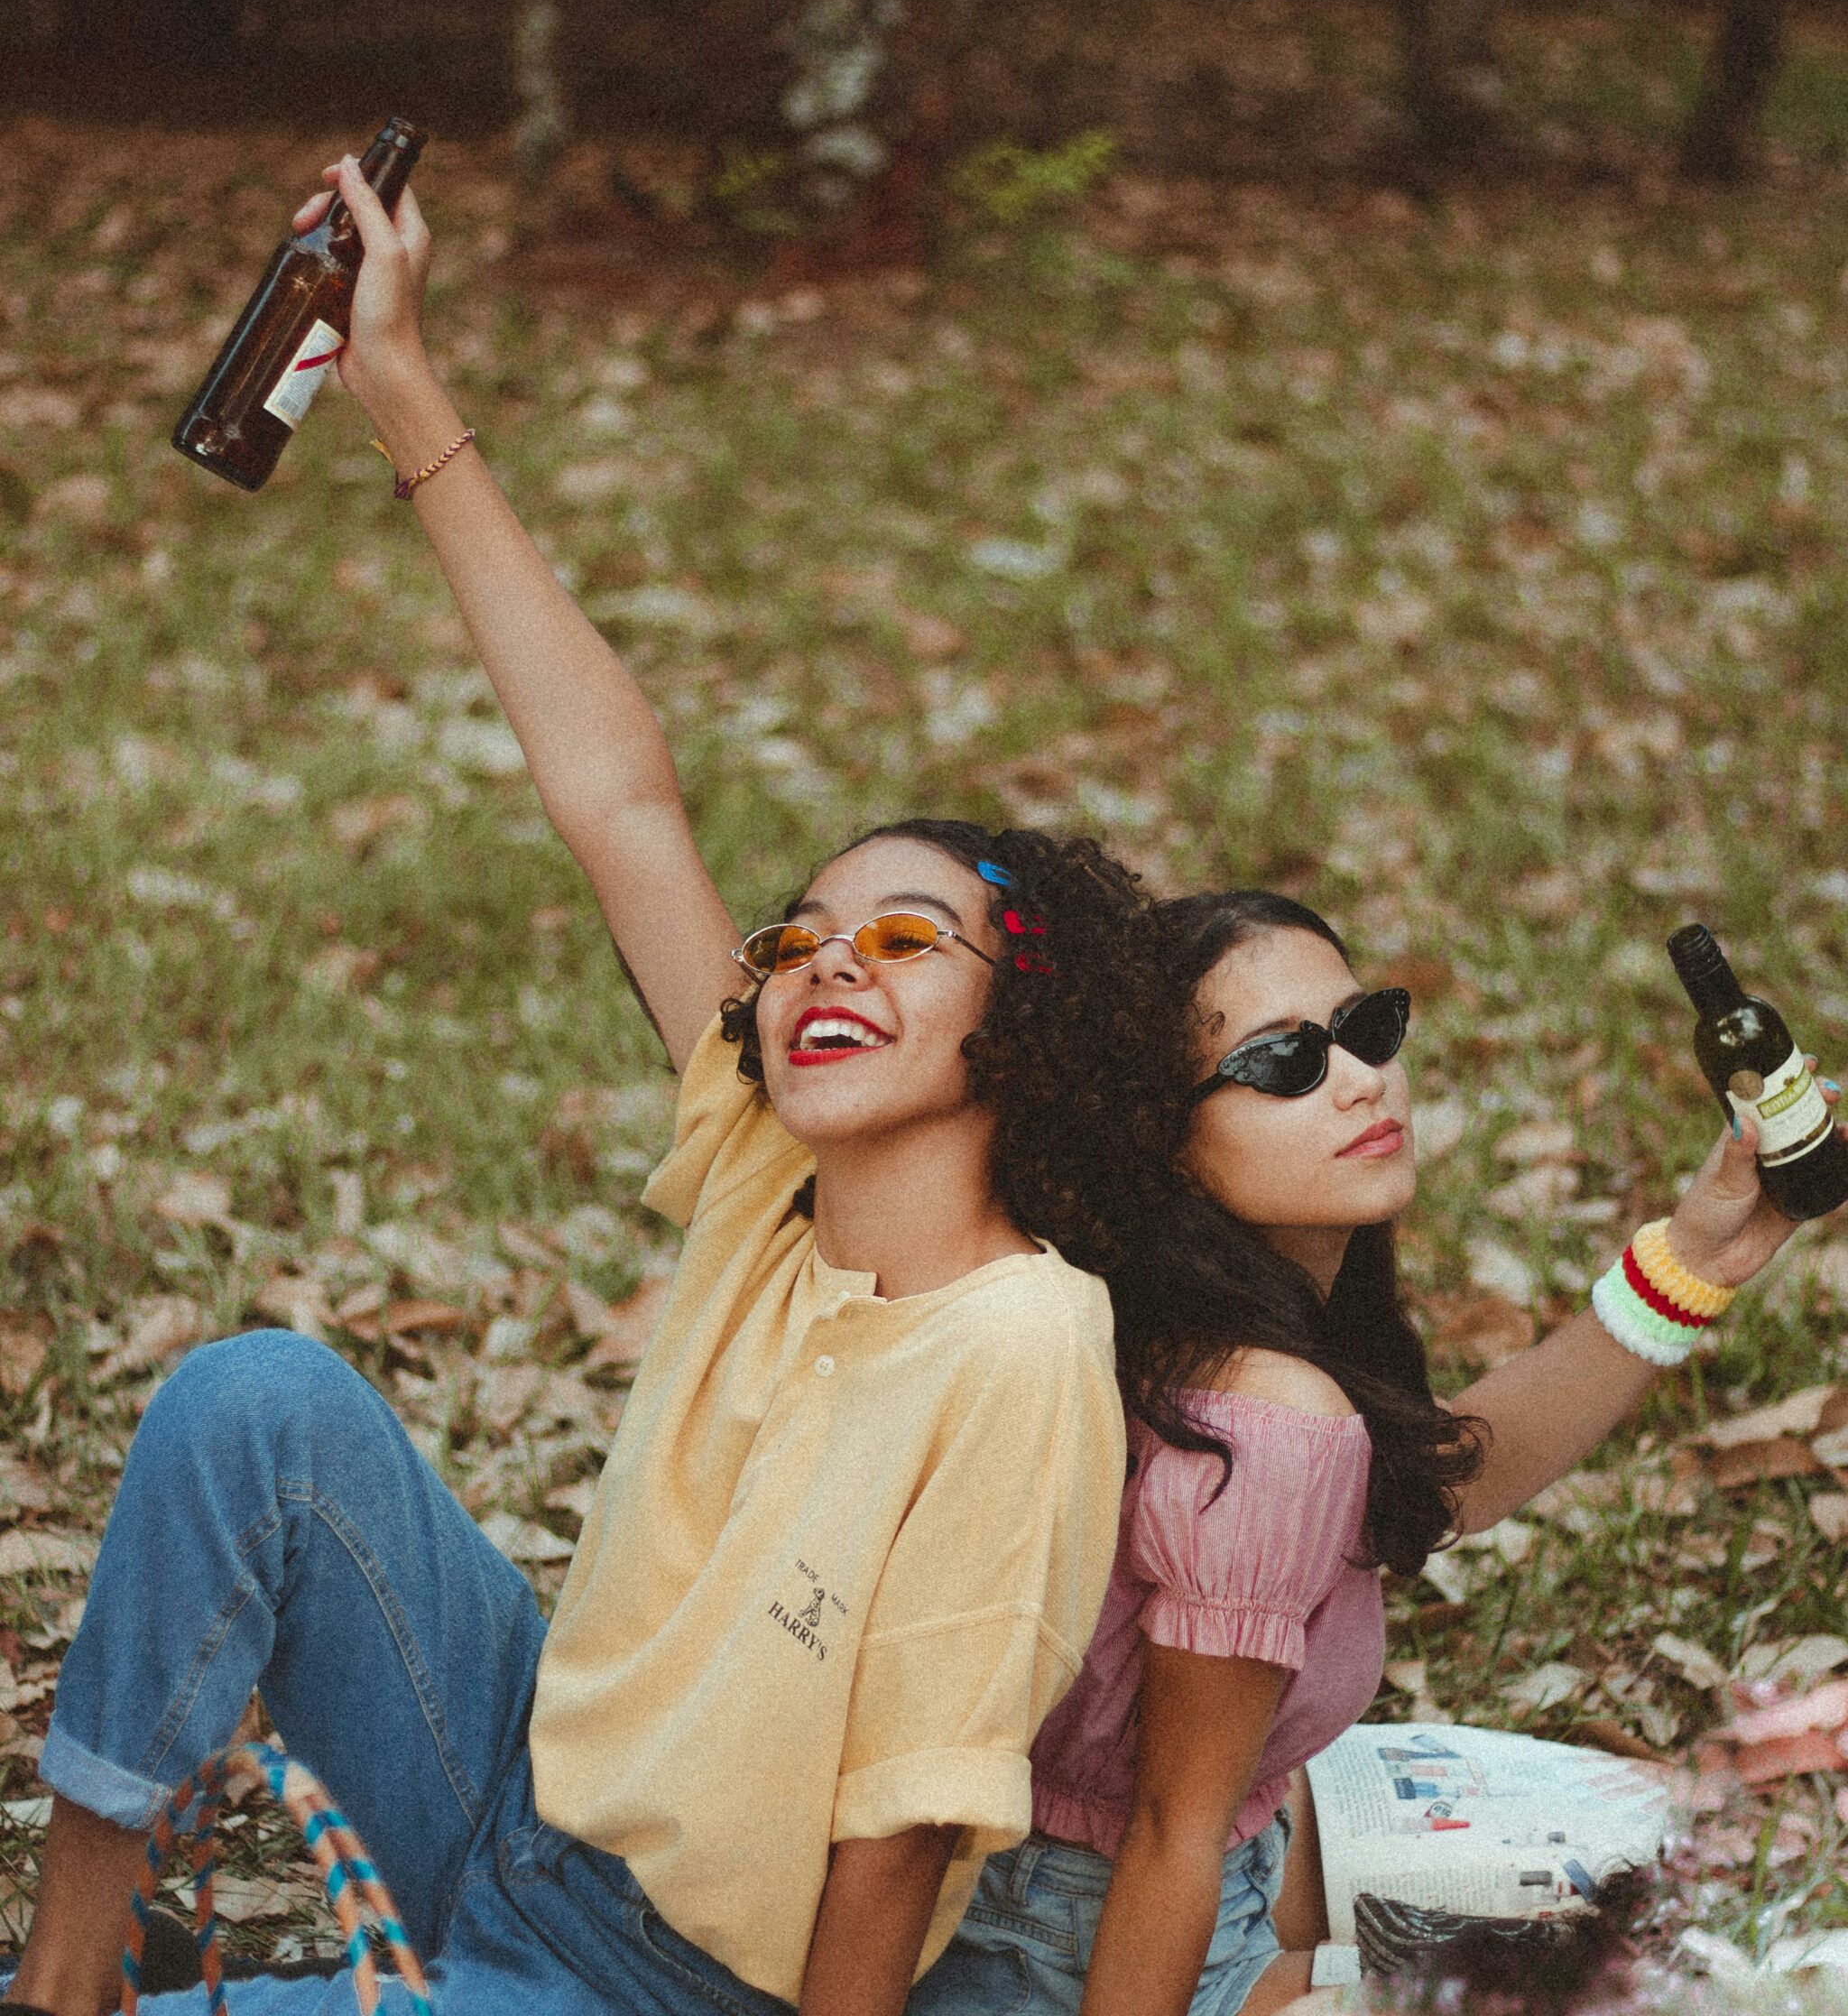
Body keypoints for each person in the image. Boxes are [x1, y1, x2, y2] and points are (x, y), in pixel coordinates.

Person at [0, 156, 1195, 2016]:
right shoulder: (762, 1175)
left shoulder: (1021, 1344)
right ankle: (66, 1972)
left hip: (667, 1988)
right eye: (801, 934)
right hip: (511, 1792)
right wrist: (395, 376)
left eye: (901, 942)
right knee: (259, 1403)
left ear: (1019, 1030)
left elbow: (896, 1834)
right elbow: (616, 793)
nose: (820, 964)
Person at [910, 887, 1840, 2016]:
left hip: (1150, 1865)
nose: (1357, 1077)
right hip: (1096, 1942)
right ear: (1158, 1139)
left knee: (1648, 1863)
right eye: (1280, 1063)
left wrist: (1690, 1262)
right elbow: (1168, 1835)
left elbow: (1440, 1481)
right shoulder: (1266, 1417)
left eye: (1364, 1029)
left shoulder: (1202, 1330)